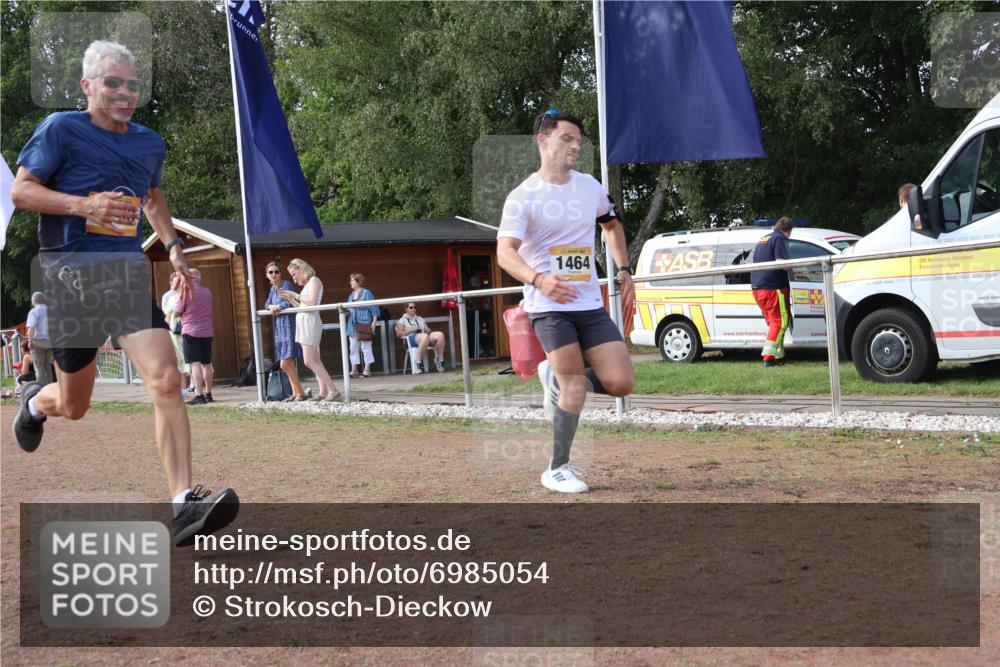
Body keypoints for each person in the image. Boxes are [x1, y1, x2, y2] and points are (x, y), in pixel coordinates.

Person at [10, 40, 238, 546]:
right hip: (71, 279)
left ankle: (183, 505)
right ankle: (33, 404)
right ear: (88, 86)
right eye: (112, 82)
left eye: (132, 84)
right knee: (74, 405)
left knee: (165, 379)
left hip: (125, 276)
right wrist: (82, 205)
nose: (124, 92)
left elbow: (152, 196)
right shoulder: (60, 130)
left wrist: (175, 247)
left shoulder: (147, 143)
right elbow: (22, 192)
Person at [496, 109, 636, 494]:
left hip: (588, 303)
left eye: (578, 140)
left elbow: (611, 225)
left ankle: (552, 376)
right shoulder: (523, 196)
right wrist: (539, 279)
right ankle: (558, 468)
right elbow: (505, 254)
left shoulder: (589, 186)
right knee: (573, 386)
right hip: (547, 306)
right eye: (567, 138)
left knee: (621, 383)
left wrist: (624, 270)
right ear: (543, 140)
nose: (575, 146)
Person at [280, 258, 342, 401]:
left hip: (310, 322)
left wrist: (296, 295)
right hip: (304, 321)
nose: (294, 277)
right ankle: (323, 392)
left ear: (301, 269)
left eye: (294, 274)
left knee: (309, 361)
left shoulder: (314, 280)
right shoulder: (308, 284)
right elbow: (303, 307)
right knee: (315, 360)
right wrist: (291, 299)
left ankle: (333, 389)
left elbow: (312, 302)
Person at [750, 216, 795, 367]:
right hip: (773, 288)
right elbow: (781, 263)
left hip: (757, 288)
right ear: (788, 230)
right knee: (780, 322)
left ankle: (779, 355)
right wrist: (796, 267)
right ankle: (768, 358)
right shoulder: (779, 238)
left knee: (775, 322)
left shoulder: (763, 239)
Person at [263, 261, 306, 401]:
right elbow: (266, 304)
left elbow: (289, 301)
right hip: (279, 327)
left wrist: (277, 307)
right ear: (267, 275)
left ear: (280, 274)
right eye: (271, 272)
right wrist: (272, 307)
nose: (274, 274)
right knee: (289, 363)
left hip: (289, 324)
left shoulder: (285, 285)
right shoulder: (272, 289)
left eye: (276, 271)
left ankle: (300, 392)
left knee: (285, 363)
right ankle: (295, 393)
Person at [174, 268, 215, 404]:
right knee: (207, 364)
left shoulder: (185, 292)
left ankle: (199, 395)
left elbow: (176, 312)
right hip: (207, 332)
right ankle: (208, 393)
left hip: (191, 332)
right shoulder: (208, 292)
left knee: (195, 364)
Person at [160, 273, 191, 395]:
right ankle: (183, 387)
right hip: (179, 331)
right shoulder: (172, 296)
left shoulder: (178, 298)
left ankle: (184, 388)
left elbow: (169, 316)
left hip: (178, 331)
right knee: (180, 360)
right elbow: (166, 314)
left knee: (180, 360)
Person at [395, 302, 446, 373]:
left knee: (440, 335)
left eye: (415, 307)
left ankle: (439, 359)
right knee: (424, 336)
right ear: (406, 309)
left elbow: (428, 330)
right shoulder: (402, 320)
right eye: (411, 307)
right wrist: (411, 330)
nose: (413, 309)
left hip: (423, 338)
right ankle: (417, 360)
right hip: (410, 340)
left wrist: (432, 336)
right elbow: (398, 334)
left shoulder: (420, 319)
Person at [346, 273, 379, 378]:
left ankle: (367, 369)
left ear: (358, 282)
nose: (350, 282)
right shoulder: (351, 296)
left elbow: (374, 307)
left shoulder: (366, 293)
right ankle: (354, 369)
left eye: (352, 280)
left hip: (364, 322)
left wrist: (374, 322)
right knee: (353, 347)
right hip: (352, 325)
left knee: (366, 346)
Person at [25, 292, 53, 386]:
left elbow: (32, 328)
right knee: (48, 367)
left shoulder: (34, 312)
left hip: (38, 343)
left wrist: (29, 341)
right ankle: (50, 390)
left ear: (34, 301)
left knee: (39, 368)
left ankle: (41, 391)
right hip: (50, 342)